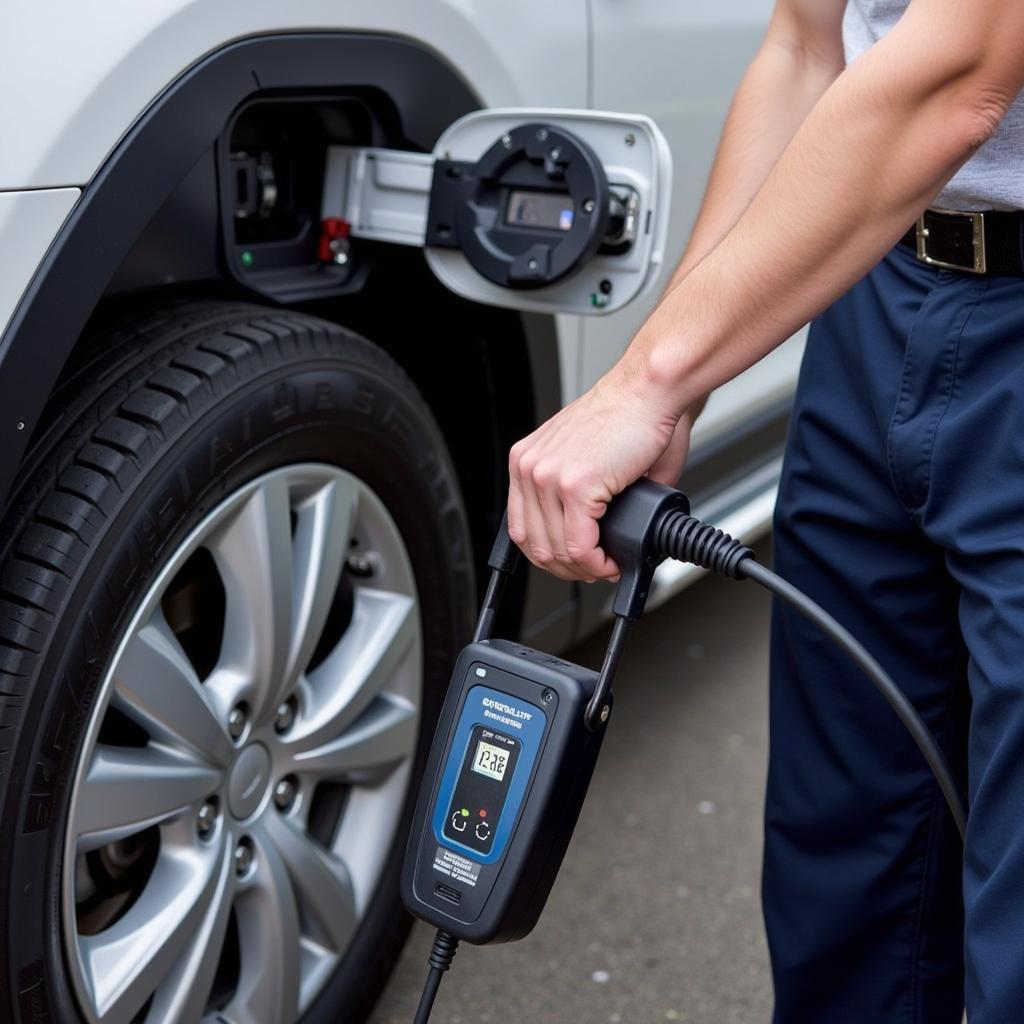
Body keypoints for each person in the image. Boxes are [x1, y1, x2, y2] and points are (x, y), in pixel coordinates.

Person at [505, 1, 1024, 1020]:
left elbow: (965, 72)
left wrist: (641, 387)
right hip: (881, 289)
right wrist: (676, 377)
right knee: (848, 862)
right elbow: (801, 46)